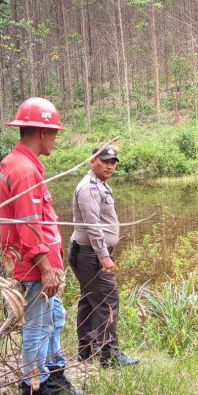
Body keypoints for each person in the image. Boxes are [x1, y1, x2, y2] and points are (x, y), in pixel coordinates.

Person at [0, 97, 84, 395]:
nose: (56, 139)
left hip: (39, 264)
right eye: (55, 133)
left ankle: (54, 381)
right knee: (37, 328)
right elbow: (28, 225)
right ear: (42, 132)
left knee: (54, 320)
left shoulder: (21, 164)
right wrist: (46, 268)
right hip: (33, 267)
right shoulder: (23, 170)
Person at [69, 146, 139, 367]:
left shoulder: (99, 186)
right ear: (92, 161)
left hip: (87, 254)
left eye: (113, 162)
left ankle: (87, 349)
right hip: (91, 255)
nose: (110, 166)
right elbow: (92, 226)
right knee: (109, 301)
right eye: (105, 161)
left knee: (90, 302)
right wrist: (103, 255)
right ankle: (110, 356)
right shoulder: (89, 189)